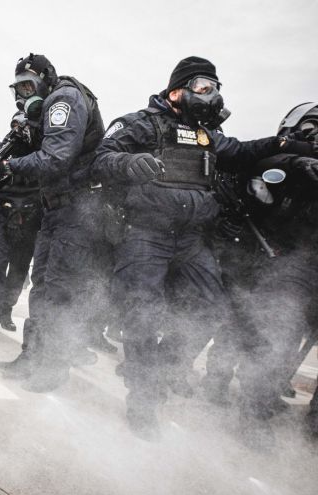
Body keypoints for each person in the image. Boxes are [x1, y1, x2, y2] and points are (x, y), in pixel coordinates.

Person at [91, 56, 308, 440]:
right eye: (203, 87)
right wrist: (128, 162)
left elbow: (242, 152)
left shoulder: (206, 135)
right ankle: (143, 397)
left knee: (211, 309)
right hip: (146, 233)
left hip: (192, 239)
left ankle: (156, 368)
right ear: (177, 90)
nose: (211, 96)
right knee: (141, 314)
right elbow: (100, 159)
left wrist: (286, 145)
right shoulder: (141, 123)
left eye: (215, 89)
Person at [0, 54, 105, 391]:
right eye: (19, 89)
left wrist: (9, 166)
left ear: (45, 79)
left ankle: (53, 367)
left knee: (60, 289)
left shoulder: (64, 98)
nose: (24, 95)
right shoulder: (49, 106)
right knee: (42, 285)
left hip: (78, 208)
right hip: (56, 207)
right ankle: (32, 355)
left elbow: (55, 158)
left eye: (29, 86)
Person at [203, 102, 318, 447]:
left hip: (300, 262)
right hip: (281, 260)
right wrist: (296, 161)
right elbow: (254, 164)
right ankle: (252, 412)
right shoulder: (283, 158)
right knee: (274, 331)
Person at [0, 113, 41, 344]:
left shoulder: (42, 150)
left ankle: (6, 310)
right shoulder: (2, 149)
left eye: (23, 125)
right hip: (3, 214)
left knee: (19, 271)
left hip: (31, 217)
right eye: (14, 125)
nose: (18, 129)